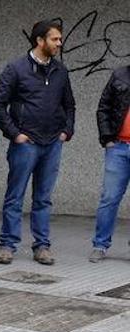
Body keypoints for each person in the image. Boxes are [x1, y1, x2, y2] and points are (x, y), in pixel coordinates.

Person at [0, 19, 75, 265]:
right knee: (15, 195)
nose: (59, 43)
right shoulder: (16, 68)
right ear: (40, 41)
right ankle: (7, 244)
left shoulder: (61, 71)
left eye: (60, 39)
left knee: (43, 198)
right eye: (55, 39)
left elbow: (69, 104)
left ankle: (42, 246)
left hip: (52, 143)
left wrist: (66, 131)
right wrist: (14, 133)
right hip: (25, 143)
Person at [90, 64, 130, 263]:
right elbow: (103, 108)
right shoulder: (120, 75)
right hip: (119, 147)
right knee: (109, 198)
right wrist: (107, 139)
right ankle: (100, 245)